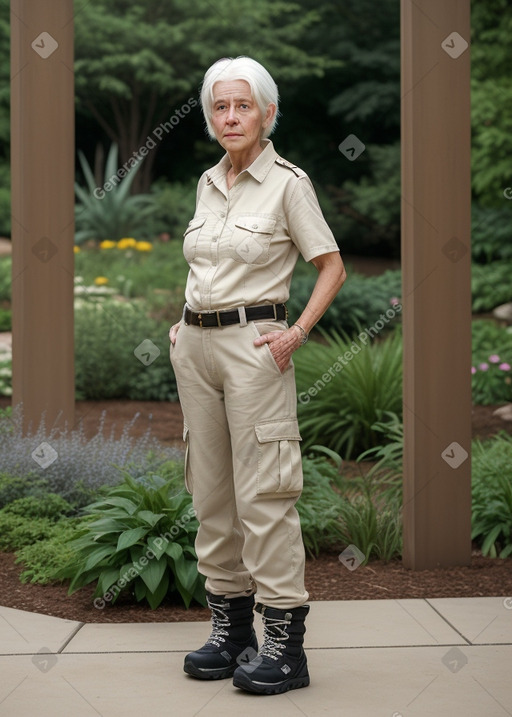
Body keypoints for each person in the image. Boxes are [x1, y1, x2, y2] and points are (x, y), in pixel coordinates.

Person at [169, 56, 346, 695]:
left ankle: (284, 647)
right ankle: (231, 631)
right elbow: (207, 265)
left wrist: (296, 333)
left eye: (243, 105)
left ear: (268, 113)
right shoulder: (206, 181)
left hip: (256, 351)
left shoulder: (288, 184)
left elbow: (331, 265)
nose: (231, 116)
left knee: (264, 496)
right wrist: (182, 324)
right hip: (196, 349)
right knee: (211, 494)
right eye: (220, 106)